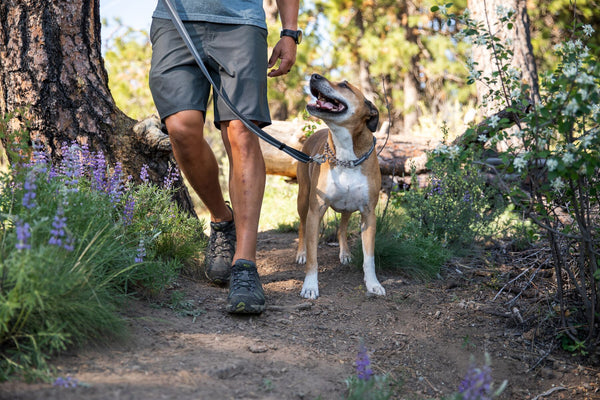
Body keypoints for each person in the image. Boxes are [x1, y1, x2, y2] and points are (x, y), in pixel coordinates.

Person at [149, 0, 301, 314]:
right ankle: (221, 220)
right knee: (180, 128)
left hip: (241, 22)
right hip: (175, 19)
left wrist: (289, 32)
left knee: (241, 132)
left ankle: (245, 265)